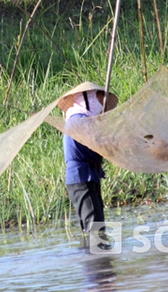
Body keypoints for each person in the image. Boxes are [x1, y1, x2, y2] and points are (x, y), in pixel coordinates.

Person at [57, 82, 118, 234]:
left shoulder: (84, 121)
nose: (100, 104)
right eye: (98, 99)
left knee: (95, 226)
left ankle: (96, 256)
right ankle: (98, 256)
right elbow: (101, 146)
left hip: (88, 178)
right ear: (87, 100)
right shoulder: (78, 121)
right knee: (95, 229)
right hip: (82, 179)